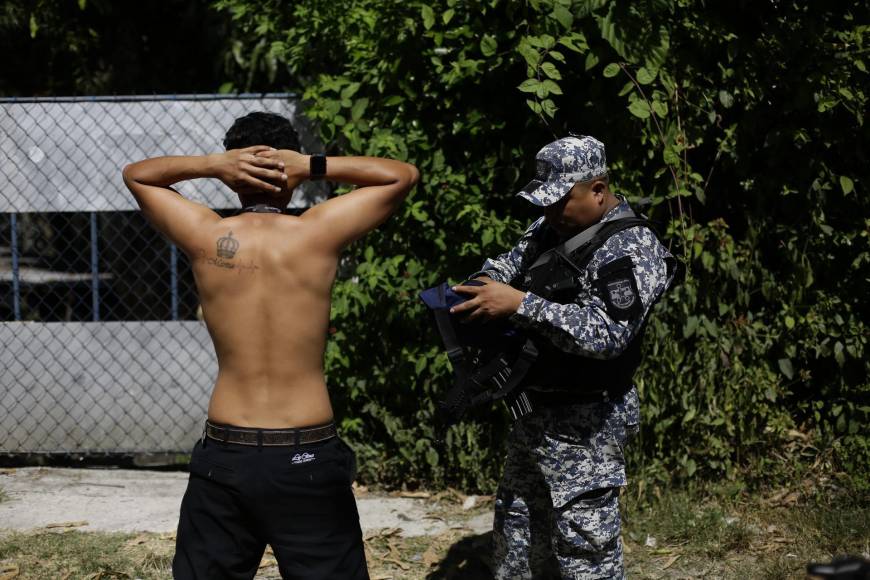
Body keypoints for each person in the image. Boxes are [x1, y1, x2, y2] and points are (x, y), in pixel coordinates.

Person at [122, 111, 419, 580]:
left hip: (226, 453)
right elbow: (402, 175)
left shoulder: (205, 234)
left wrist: (214, 164)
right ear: (291, 172)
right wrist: (311, 164)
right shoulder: (317, 233)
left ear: (234, 179)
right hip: (307, 453)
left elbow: (137, 175)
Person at [450, 135, 675, 579]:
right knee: (517, 538)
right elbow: (509, 263)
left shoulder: (630, 246)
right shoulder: (552, 226)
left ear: (597, 189)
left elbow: (607, 333)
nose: (549, 212)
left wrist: (520, 305)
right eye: (544, 202)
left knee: (584, 552)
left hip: (588, 423)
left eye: (559, 201)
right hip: (534, 412)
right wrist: (482, 284)